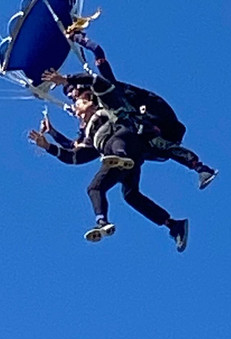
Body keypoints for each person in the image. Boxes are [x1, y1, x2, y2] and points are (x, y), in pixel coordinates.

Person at [48, 31, 218, 189]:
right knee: (138, 160)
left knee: (155, 141)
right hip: (135, 137)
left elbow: (97, 51)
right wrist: (52, 133)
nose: (74, 98)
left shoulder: (108, 89)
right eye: (71, 97)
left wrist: (77, 38)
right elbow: (77, 147)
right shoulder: (93, 119)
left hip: (155, 120)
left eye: (75, 94)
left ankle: (201, 168)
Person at [29, 87, 190, 252]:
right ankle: (172, 224)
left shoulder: (106, 109)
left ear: (91, 103)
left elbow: (105, 85)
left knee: (114, 142)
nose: (76, 112)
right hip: (124, 159)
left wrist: (73, 82)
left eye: (79, 105)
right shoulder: (90, 135)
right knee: (128, 195)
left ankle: (121, 157)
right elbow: (74, 156)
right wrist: (48, 144)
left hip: (128, 141)